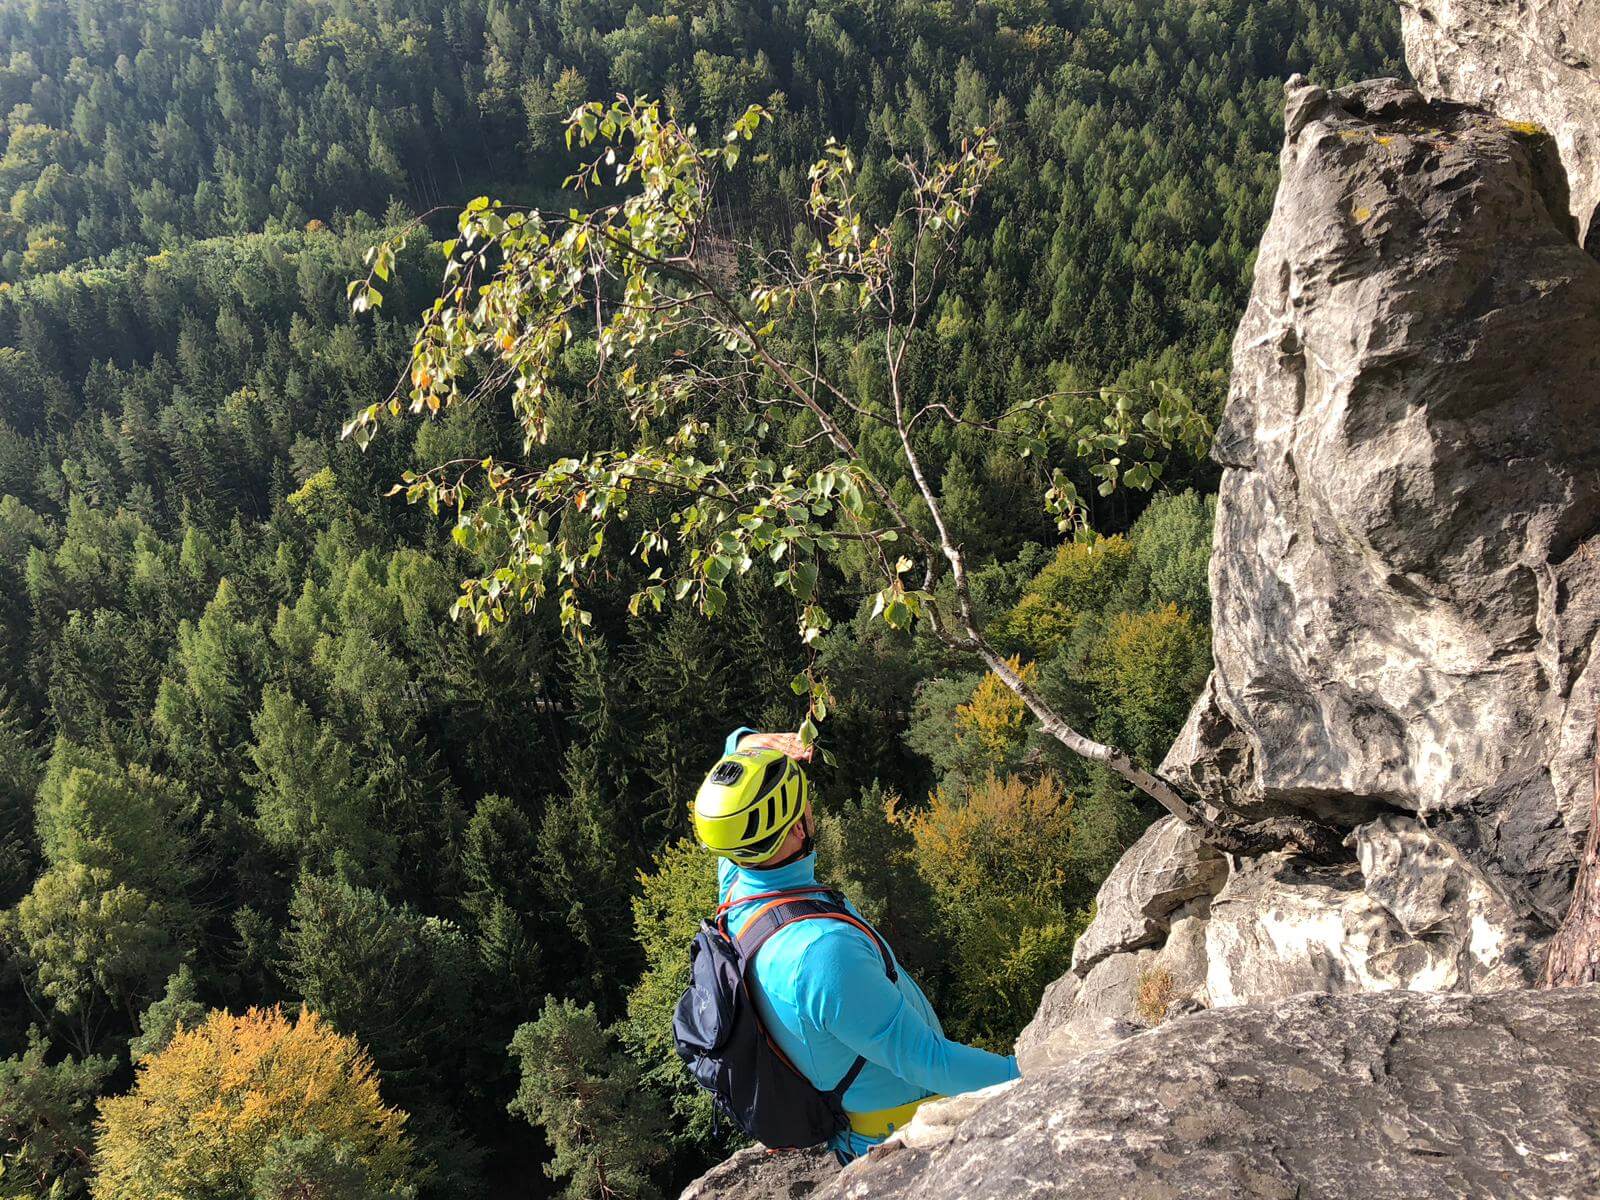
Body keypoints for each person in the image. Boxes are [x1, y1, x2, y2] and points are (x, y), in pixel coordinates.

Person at [693, 726, 1020, 1163]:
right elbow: (928, 1061)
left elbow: (731, 747)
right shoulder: (822, 952)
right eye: (804, 804)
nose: (812, 806)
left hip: (867, 1118)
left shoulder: (738, 888)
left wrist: (751, 743)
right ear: (796, 832)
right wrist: (1035, 1074)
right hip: (903, 1140)